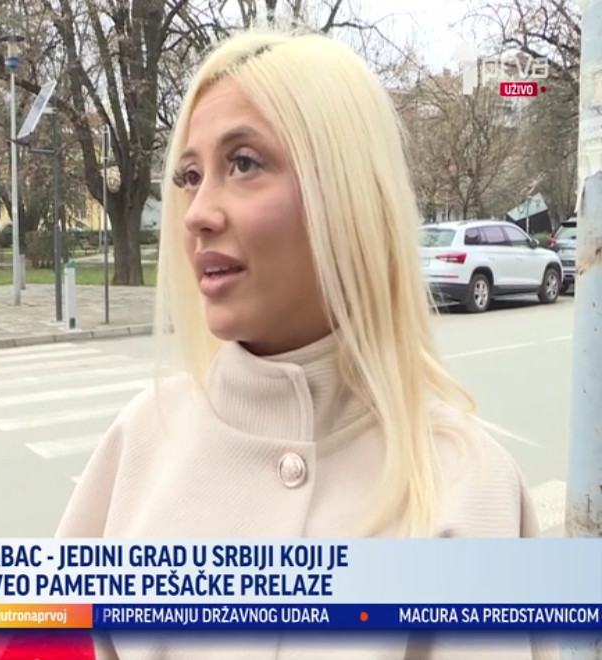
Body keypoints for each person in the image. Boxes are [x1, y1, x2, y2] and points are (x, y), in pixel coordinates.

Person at [41, 29, 555, 660]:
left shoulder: (465, 484)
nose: (197, 212)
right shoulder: (142, 441)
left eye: (243, 163)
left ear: (346, 195)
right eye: (191, 176)